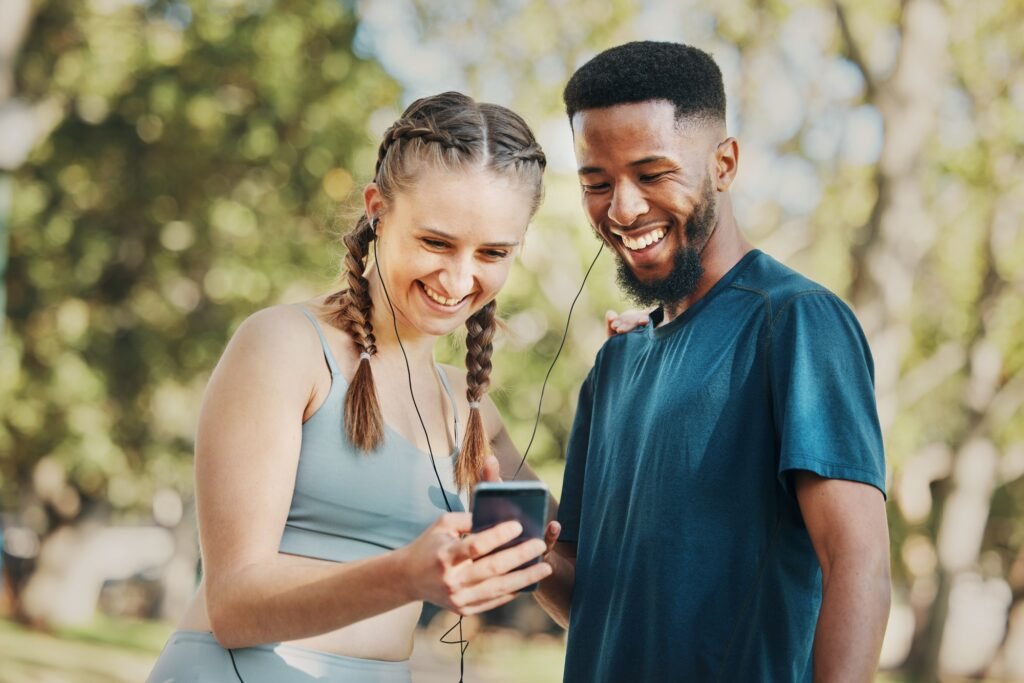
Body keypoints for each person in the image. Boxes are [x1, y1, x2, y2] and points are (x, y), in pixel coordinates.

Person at [146, 91, 556, 683]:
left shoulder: (469, 411)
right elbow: (232, 606)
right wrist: (408, 575)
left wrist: (647, 341)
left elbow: (568, 569)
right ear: (378, 210)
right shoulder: (285, 346)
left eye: (492, 252)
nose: (460, 277)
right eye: (436, 242)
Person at [533, 42, 892, 682]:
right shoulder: (615, 366)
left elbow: (856, 561)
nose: (622, 209)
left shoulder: (796, 322)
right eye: (596, 182)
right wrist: (503, 504)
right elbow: (590, 601)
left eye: (651, 174)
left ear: (724, 163)